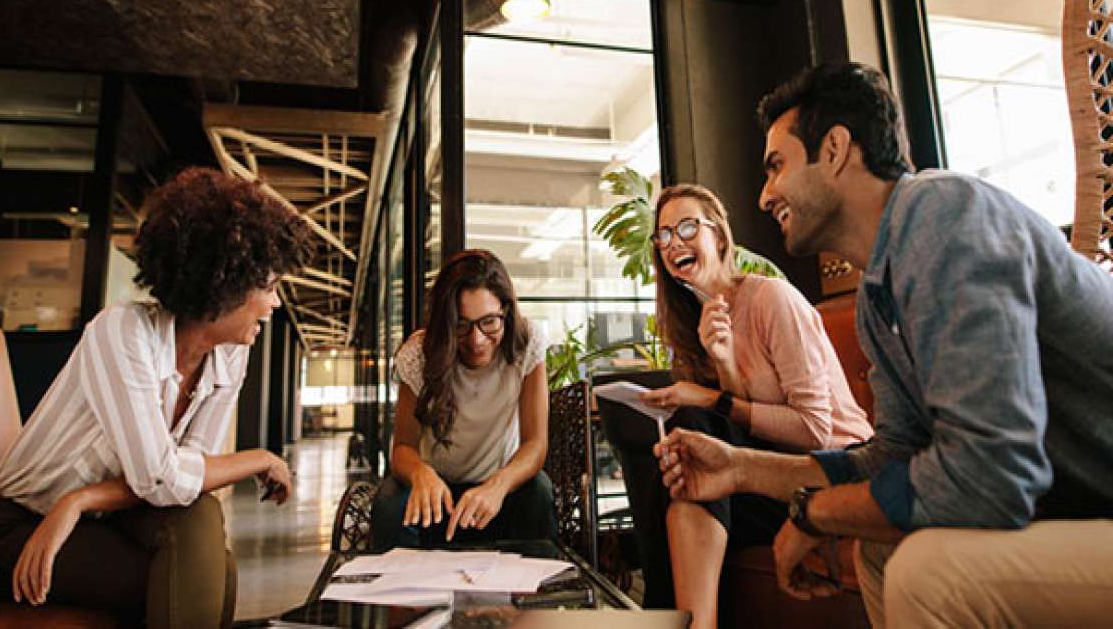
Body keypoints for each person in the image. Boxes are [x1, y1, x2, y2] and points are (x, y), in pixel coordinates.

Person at [656, 63, 1113, 628]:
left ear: (835, 149)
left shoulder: (944, 215)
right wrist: (739, 468)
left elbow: (989, 476)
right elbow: (889, 457)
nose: (765, 193)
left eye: (777, 167)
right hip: (1082, 515)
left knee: (928, 570)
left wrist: (813, 514)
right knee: (884, 549)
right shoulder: (880, 296)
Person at [0, 167, 316, 627]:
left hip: (96, 516)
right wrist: (261, 459)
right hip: (20, 525)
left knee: (201, 531)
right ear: (226, 281)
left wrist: (79, 501)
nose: (275, 304)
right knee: (201, 575)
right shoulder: (123, 332)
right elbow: (162, 478)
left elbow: (182, 480)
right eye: (269, 287)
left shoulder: (229, 357)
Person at [614, 183, 871, 627]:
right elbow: (738, 432)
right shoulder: (692, 327)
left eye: (688, 226)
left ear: (719, 235)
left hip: (833, 470)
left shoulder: (772, 298)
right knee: (679, 457)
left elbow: (813, 429)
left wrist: (713, 396)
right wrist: (723, 363)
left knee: (694, 424)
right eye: (664, 235)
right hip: (760, 473)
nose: (674, 241)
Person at [371, 249, 555, 549]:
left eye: (489, 322)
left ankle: (532, 592)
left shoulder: (526, 345)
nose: (476, 340)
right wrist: (420, 473)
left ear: (506, 311)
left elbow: (535, 444)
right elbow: (402, 447)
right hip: (437, 496)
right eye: (461, 324)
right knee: (390, 504)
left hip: (498, 493)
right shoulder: (419, 354)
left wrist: (498, 484)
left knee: (539, 492)